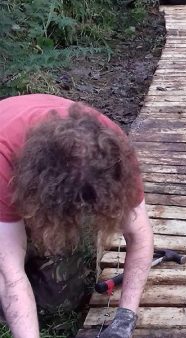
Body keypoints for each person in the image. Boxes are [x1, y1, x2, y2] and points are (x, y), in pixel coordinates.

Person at [0, 94, 154, 337]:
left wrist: (125, 320)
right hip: (8, 168)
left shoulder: (115, 155)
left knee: (57, 298)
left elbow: (140, 236)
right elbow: (10, 277)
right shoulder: (4, 163)